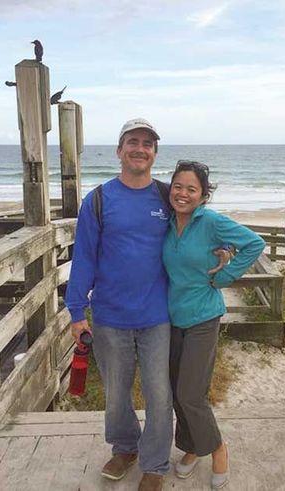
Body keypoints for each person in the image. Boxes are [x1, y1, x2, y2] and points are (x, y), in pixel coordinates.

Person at [64, 119, 228, 491]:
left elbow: (200, 224)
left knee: (160, 393)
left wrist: (222, 248)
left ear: (155, 153)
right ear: (119, 150)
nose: (140, 148)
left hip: (158, 316)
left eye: (148, 144)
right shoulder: (99, 200)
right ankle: (124, 449)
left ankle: (154, 463)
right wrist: (76, 312)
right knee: (116, 392)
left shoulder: (166, 196)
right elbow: (84, 258)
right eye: (133, 142)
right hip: (109, 316)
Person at [163, 160, 265, 489]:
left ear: (203, 195)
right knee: (177, 393)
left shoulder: (210, 221)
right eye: (178, 186)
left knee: (191, 393)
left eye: (191, 189)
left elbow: (254, 243)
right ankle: (194, 447)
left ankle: (218, 449)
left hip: (204, 317)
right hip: (171, 317)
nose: (183, 193)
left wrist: (225, 276)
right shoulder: (166, 222)